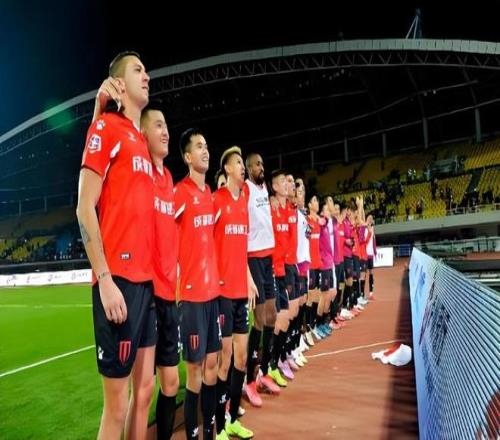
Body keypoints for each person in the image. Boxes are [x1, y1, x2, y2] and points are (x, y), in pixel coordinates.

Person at [93, 79, 180, 439]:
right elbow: (99, 158)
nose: (165, 132)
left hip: (159, 290)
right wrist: (99, 111)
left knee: (145, 390)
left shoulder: (168, 179)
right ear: (142, 134)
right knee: (121, 400)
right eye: (158, 125)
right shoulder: (132, 155)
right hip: (131, 281)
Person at [77, 51, 156, 440]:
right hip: (119, 281)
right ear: (119, 84)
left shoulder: (139, 140)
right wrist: (104, 278)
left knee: (144, 391)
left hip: (145, 283)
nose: (147, 76)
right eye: (138, 70)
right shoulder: (106, 128)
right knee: (117, 406)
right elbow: (84, 207)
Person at [175, 128, 220, 439]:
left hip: (212, 294)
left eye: (206, 145)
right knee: (194, 372)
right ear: (187, 157)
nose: (205, 151)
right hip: (190, 297)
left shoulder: (209, 195)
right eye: (199, 147)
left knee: (212, 367)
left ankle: (210, 433)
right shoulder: (180, 193)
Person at [213, 146, 255, 440]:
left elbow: (242, 250)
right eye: (238, 162)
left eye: (243, 162)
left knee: (241, 358)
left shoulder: (244, 202)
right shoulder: (216, 200)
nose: (243, 166)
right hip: (222, 293)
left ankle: (231, 419)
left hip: (241, 291)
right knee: (224, 359)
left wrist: (249, 279)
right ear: (227, 169)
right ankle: (218, 427)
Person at [242, 153, 281, 407]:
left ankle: (263, 371)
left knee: (272, 316)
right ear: (248, 168)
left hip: (268, 257)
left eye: (262, 163)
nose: (261, 167)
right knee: (258, 320)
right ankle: (249, 379)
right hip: (254, 256)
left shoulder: (264, 188)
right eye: (257, 164)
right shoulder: (246, 188)